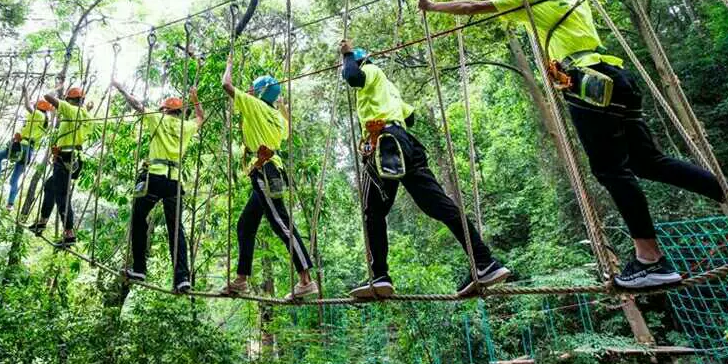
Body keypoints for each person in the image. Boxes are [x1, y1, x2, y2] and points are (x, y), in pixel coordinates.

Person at [417, 0, 728, 288]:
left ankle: (650, 259)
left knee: (610, 169)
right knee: (649, 162)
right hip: (617, 78)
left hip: (587, 84)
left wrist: (433, 5)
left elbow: (475, 6)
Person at [340, 41, 510, 298]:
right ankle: (485, 262)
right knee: (439, 205)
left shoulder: (371, 72)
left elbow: (352, 76)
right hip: (406, 143)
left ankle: (379, 276)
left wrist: (346, 55)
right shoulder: (389, 88)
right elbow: (410, 117)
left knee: (372, 213)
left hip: (384, 142)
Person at [218, 55, 318, 300]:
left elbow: (226, 86)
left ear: (260, 92)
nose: (249, 90)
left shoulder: (256, 105)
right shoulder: (276, 116)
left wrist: (229, 64)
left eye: (253, 88)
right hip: (267, 170)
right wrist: (281, 103)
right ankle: (241, 279)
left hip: (265, 172)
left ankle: (306, 279)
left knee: (282, 225)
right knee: (245, 225)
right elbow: (286, 127)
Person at [112, 81, 204, 293]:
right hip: (174, 182)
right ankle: (182, 278)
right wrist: (195, 98)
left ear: (165, 110)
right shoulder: (186, 127)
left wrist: (121, 88)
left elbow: (137, 104)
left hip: (155, 178)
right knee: (176, 230)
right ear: (179, 113)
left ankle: (140, 269)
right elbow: (200, 117)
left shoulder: (158, 118)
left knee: (138, 218)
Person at [28, 78, 95, 246]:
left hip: (66, 158)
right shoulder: (85, 115)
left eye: (67, 100)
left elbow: (47, 96)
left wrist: (59, 87)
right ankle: (42, 222)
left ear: (70, 100)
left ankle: (69, 232)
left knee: (62, 196)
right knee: (50, 186)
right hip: (73, 158)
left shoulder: (72, 110)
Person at [0, 88, 52, 210]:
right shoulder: (46, 123)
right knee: (14, 179)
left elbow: (27, 106)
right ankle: (10, 204)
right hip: (29, 151)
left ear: (39, 107)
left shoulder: (38, 114)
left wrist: (26, 93)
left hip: (21, 146)